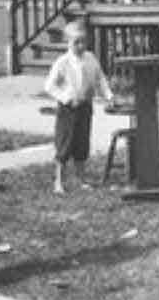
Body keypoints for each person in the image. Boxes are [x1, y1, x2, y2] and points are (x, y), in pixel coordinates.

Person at [44, 21, 113, 195]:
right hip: (68, 109)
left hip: (85, 106)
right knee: (65, 144)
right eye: (76, 42)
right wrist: (67, 98)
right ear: (67, 42)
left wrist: (109, 96)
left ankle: (81, 178)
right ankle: (59, 182)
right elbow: (50, 86)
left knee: (82, 143)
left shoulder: (90, 58)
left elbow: (100, 79)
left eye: (83, 41)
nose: (80, 46)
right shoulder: (63, 62)